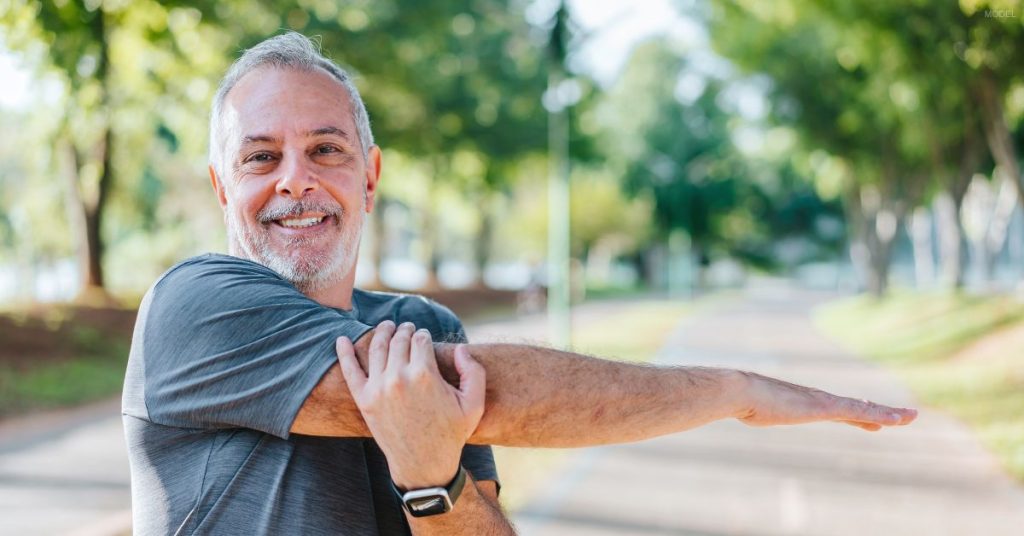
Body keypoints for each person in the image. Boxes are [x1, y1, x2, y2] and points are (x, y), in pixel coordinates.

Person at [122, 31, 917, 536]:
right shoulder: (191, 307)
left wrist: (433, 484)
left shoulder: (418, 318)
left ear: (369, 175)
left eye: (325, 150)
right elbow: (486, 390)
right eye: (260, 157)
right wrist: (734, 391)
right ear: (223, 188)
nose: (295, 180)